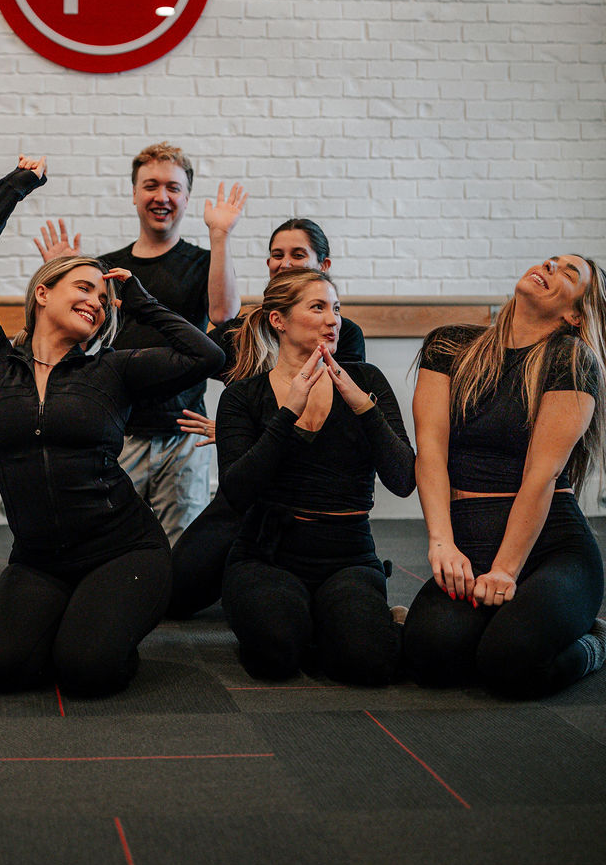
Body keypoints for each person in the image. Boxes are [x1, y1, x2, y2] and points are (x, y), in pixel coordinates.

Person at [0, 156, 226, 697]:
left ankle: (95, 626)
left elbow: (208, 356)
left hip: (124, 551)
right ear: (42, 293)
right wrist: (16, 187)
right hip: (38, 560)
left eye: (102, 299)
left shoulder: (113, 369)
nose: (95, 301)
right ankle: (70, 618)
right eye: (81, 287)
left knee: (86, 671)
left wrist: (143, 304)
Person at [403, 254, 606, 699]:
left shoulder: (571, 358)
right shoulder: (449, 345)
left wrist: (505, 570)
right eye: (551, 261)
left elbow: (541, 475)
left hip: (549, 548)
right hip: (471, 543)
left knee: (509, 665)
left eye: (567, 273)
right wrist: (442, 541)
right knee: (428, 659)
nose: (550, 266)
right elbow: (431, 452)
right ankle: (517, 621)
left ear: (574, 314)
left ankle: (595, 641)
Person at [34, 140, 245, 543]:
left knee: (179, 547)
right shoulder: (109, 267)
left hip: (184, 431)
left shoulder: (204, 261)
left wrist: (220, 236)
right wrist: (61, 280)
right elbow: (82, 339)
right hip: (119, 429)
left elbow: (223, 314)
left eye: (173, 187)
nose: (161, 196)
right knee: (111, 540)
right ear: (134, 194)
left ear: (186, 197)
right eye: (150, 185)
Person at [213, 268, 415, 684]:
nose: (333, 320)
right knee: (275, 655)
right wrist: (287, 415)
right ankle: (302, 622)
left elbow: (403, 479)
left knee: (369, 664)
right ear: (279, 320)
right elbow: (236, 493)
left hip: (348, 555)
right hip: (267, 556)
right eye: (318, 307)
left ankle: (345, 622)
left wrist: (363, 407)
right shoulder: (243, 396)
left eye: (337, 309)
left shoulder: (367, 381)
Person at [169, 216, 366, 617]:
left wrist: (238, 433)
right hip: (249, 483)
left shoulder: (341, 333)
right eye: (277, 254)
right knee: (174, 594)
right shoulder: (248, 330)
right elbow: (211, 335)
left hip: (304, 494)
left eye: (298, 254)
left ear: (323, 266)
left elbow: (334, 428)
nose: (285, 262)